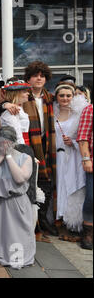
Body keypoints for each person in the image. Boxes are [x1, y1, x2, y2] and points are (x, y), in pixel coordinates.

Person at [0, 61, 58, 239]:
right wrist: (6, 105)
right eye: (35, 75)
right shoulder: (14, 108)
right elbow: (0, 114)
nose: (39, 79)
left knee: (41, 185)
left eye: (42, 75)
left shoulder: (49, 98)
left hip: (42, 143)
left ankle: (40, 224)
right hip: (24, 148)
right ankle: (26, 229)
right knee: (21, 189)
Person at [0, 126, 36, 268]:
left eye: (8, 142)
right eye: (2, 141)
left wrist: (9, 156)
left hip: (16, 204)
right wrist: (0, 156)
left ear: (14, 142)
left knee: (16, 236)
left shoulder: (25, 158)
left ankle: (16, 257)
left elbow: (19, 178)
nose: (5, 144)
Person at [53, 82, 88, 240]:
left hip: (74, 156)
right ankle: (59, 221)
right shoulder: (52, 113)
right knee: (59, 187)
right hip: (57, 157)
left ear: (73, 97)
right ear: (57, 97)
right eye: (62, 96)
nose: (65, 98)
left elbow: (85, 137)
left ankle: (73, 224)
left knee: (73, 187)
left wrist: (73, 142)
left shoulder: (79, 114)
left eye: (68, 95)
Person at [76, 101, 93, 250]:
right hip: (92, 162)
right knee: (91, 198)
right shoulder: (90, 109)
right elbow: (83, 137)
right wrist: (86, 159)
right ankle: (88, 232)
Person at [0, 80, 32, 145]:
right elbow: (17, 136)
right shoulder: (11, 112)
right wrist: (24, 151)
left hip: (23, 144)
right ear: (16, 94)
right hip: (15, 147)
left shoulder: (19, 108)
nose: (28, 93)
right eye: (24, 92)